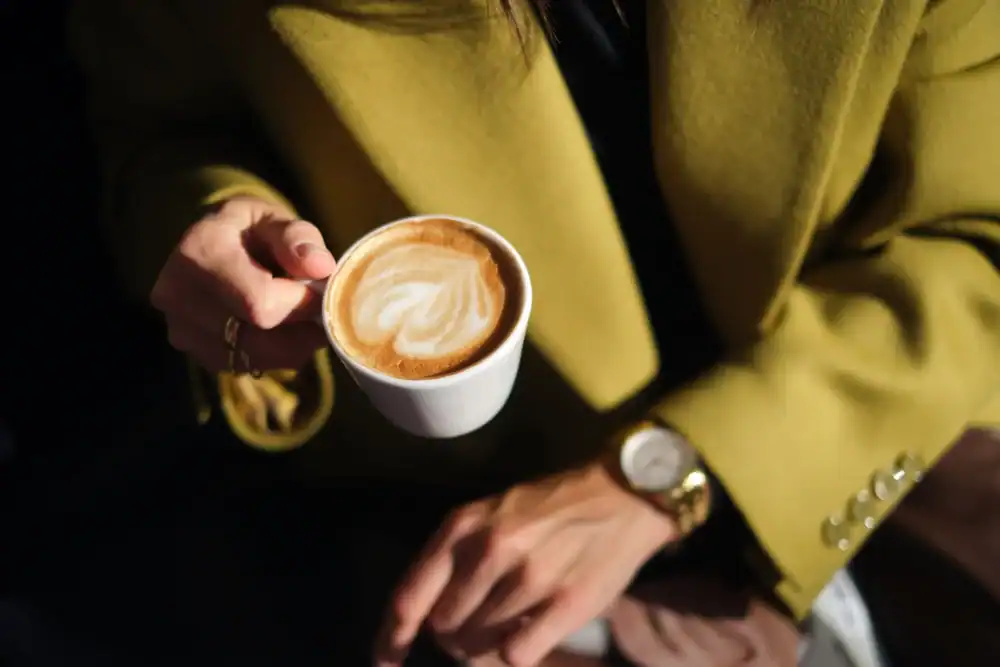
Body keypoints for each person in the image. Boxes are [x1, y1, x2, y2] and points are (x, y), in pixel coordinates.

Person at [69, 0, 1000, 665]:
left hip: (892, 405)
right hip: (470, 484)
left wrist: (670, 474)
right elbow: (161, 129)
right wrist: (214, 216)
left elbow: (975, 235)